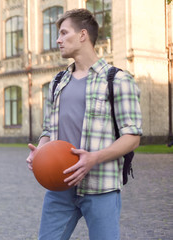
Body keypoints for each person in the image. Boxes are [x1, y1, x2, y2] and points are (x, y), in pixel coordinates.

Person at [26, 9, 142, 240]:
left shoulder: (118, 80)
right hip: (60, 187)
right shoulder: (57, 82)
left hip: (101, 187)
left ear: (82, 35)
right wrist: (41, 151)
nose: (57, 40)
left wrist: (93, 158)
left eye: (63, 33)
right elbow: (48, 129)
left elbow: (133, 136)